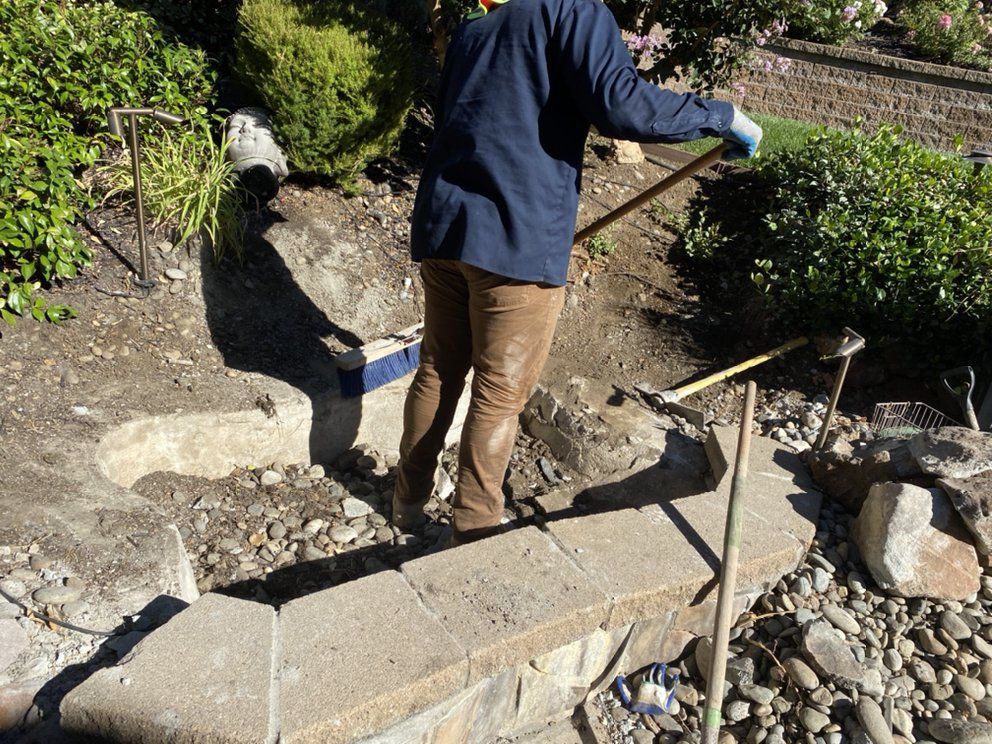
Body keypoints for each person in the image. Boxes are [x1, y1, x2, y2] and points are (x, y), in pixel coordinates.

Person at [392, 0, 762, 545]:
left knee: (438, 371)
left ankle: (406, 505)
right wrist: (720, 116)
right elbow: (625, 107)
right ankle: (472, 537)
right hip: (515, 239)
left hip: (446, 227)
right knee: (498, 395)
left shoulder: (476, 25)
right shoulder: (573, 9)